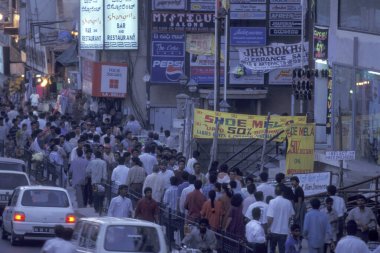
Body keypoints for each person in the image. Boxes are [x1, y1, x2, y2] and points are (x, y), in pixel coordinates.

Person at [267, 186, 295, 253]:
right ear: (282, 193)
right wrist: (287, 224)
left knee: (272, 249)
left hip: (273, 230)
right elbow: (291, 216)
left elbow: (270, 217)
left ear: (275, 193)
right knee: (282, 250)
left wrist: (268, 227)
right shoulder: (288, 202)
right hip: (284, 231)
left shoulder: (272, 202)